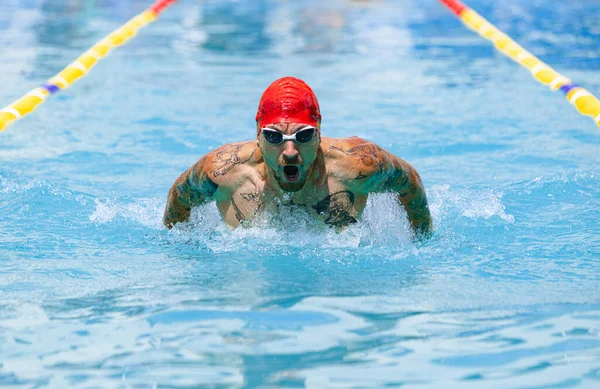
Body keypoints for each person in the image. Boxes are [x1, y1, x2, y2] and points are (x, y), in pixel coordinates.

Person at [163, 77, 432, 237]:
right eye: (274, 137)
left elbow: (410, 181)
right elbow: (178, 197)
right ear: (258, 133)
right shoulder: (223, 171)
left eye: (303, 137)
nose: (290, 152)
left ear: (319, 132)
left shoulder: (358, 165)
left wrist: (422, 241)